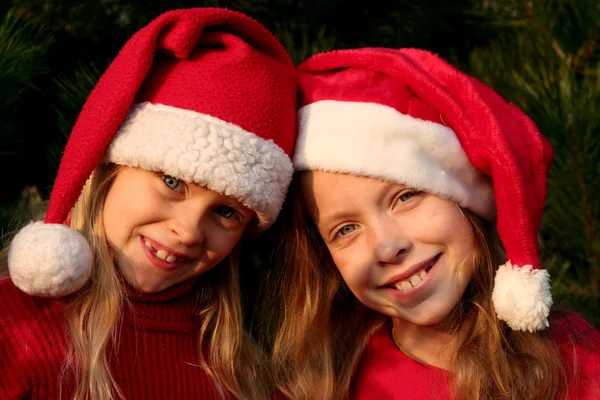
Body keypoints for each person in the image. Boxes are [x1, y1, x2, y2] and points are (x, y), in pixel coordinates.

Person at [264, 48, 600, 400]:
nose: (387, 246)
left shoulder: (575, 359)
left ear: (465, 199)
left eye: (405, 197)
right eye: (346, 229)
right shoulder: (325, 388)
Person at [0, 7, 297, 400]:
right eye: (172, 182)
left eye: (227, 212)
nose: (188, 230)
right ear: (110, 169)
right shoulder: (12, 334)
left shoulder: (242, 372)